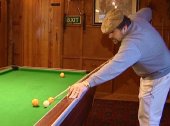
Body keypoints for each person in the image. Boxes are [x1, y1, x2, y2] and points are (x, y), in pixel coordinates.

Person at [68, 7, 170, 126]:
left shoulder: (131, 45)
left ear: (125, 27)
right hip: (160, 69)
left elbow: (113, 68)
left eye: (112, 32)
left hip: (157, 77)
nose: (110, 36)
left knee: (148, 119)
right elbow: (148, 11)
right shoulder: (136, 18)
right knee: (145, 115)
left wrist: (87, 83)